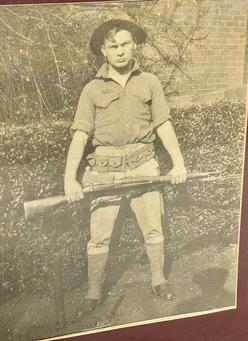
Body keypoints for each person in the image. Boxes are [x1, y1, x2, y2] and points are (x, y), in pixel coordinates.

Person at [64, 19, 187, 314]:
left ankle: (159, 280)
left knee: (154, 230)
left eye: (125, 44)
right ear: (104, 52)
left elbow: (164, 125)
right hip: (104, 170)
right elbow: (80, 136)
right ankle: (93, 292)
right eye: (113, 46)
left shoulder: (150, 82)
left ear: (134, 46)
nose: (120, 51)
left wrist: (178, 163)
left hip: (143, 165)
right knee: (98, 239)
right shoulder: (91, 90)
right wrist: (70, 179)